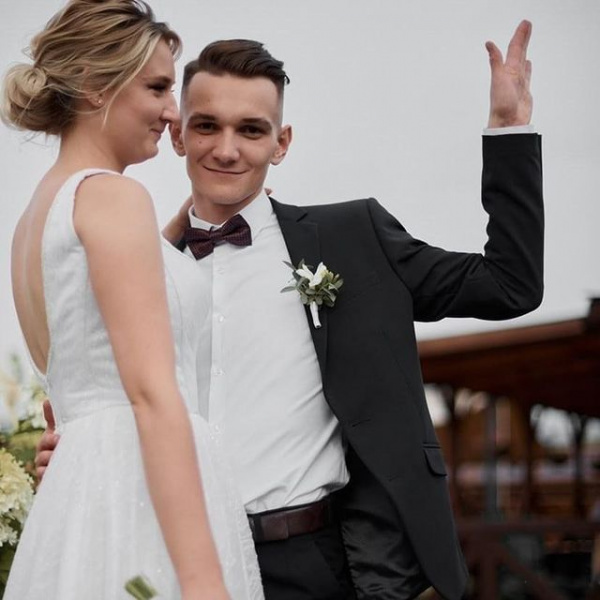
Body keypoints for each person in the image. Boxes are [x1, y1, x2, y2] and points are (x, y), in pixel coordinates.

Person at [37, 20, 543, 600]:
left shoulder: (352, 238)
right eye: (207, 126)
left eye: (251, 130)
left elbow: (510, 285)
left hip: (311, 564)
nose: (226, 149)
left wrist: (509, 131)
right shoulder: (142, 269)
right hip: (168, 560)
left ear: (282, 142)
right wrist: (73, 451)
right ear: (178, 135)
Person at [1, 1, 263, 599]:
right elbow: (150, 394)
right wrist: (203, 582)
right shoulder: (113, 197)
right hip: (140, 493)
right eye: (158, 88)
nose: (173, 112)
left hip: (82, 498)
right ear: (95, 85)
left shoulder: (34, 219)